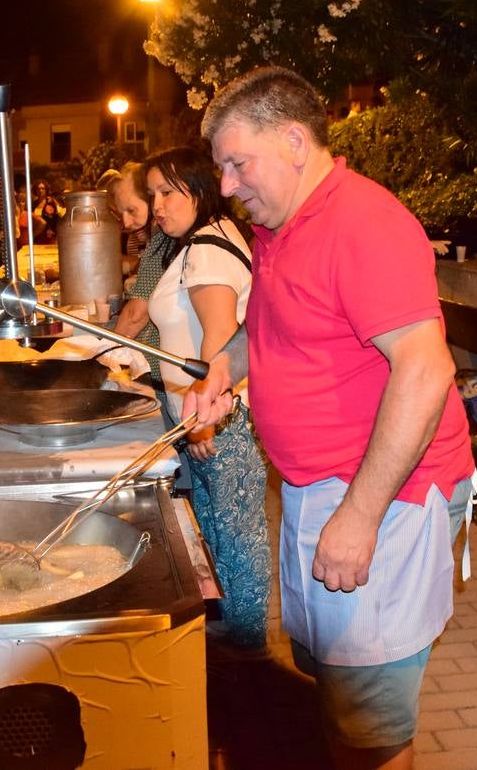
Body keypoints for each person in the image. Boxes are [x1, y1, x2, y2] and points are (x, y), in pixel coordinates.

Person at [184, 66, 477, 770]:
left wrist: (361, 515)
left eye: (236, 163)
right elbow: (268, 325)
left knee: (371, 728)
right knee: (337, 690)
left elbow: (426, 366)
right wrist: (226, 366)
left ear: (292, 141)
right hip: (319, 493)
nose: (226, 185)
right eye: (221, 168)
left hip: (385, 499)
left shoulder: (363, 223)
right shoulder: (281, 225)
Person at [144, 145, 270, 654]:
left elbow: (219, 338)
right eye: (153, 193)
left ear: (199, 189)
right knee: (221, 536)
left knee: (238, 543)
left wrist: (202, 422)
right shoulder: (203, 242)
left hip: (222, 420)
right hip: (214, 417)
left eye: (168, 192)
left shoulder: (207, 250)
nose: (158, 204)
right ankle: (237, 652)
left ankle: (249, 659)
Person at [104, 162, 169, 386]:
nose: (125, 222)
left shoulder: (163, 235)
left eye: (131, 210)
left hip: (159, 375)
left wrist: (106, 356)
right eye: (120, 213)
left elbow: (135, 316)